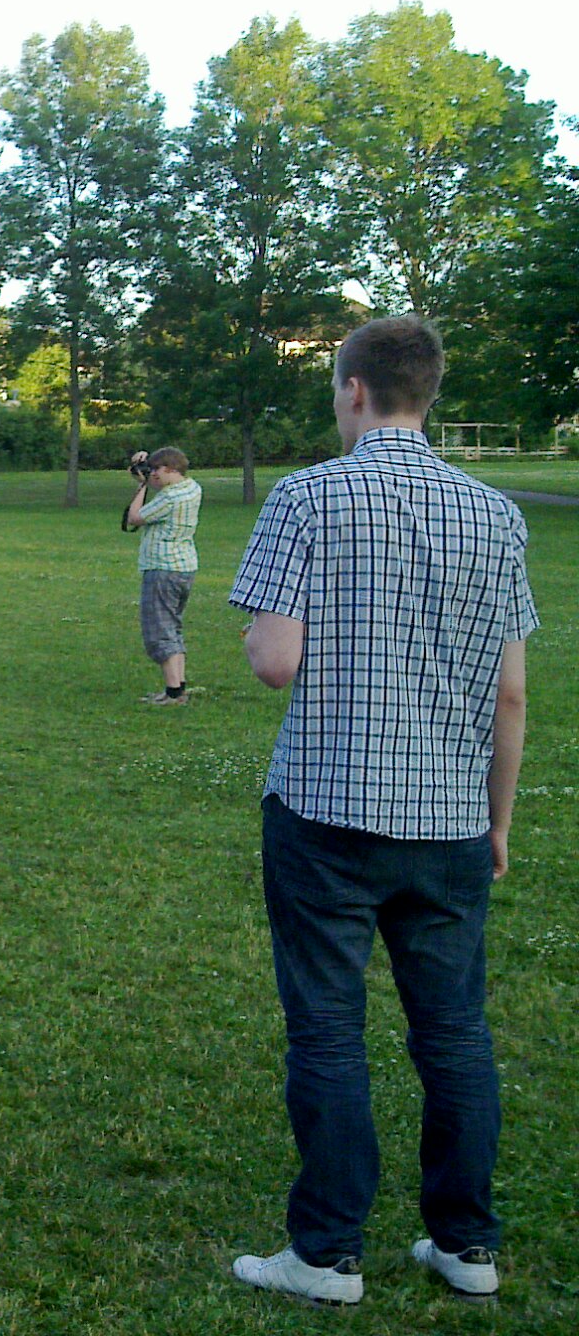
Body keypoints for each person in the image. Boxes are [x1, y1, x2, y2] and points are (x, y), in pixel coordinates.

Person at [226, 317, 534, 1307]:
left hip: (325, 811)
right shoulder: (495, 513)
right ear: (426, 394)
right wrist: (496, 821)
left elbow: (274, 660)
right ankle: (465, 1243)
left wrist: (249, 650)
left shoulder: (307, 495)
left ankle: (323, 1255)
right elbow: (510, 694)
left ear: (354, 391)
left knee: (326, 1030)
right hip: (447, 817)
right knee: (452, 1034)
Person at [123, 447, 201, 705]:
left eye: (156, 470)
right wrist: (147, 474)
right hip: (184, 566)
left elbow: (134, 518)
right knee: (172, 626)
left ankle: (173, 692)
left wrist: (141, 487)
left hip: (162, 568)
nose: (153, 474)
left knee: (159, 630)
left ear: (170, 470)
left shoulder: (169, 499)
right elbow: (164, 493)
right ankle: (177, 688)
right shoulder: (191, 488)